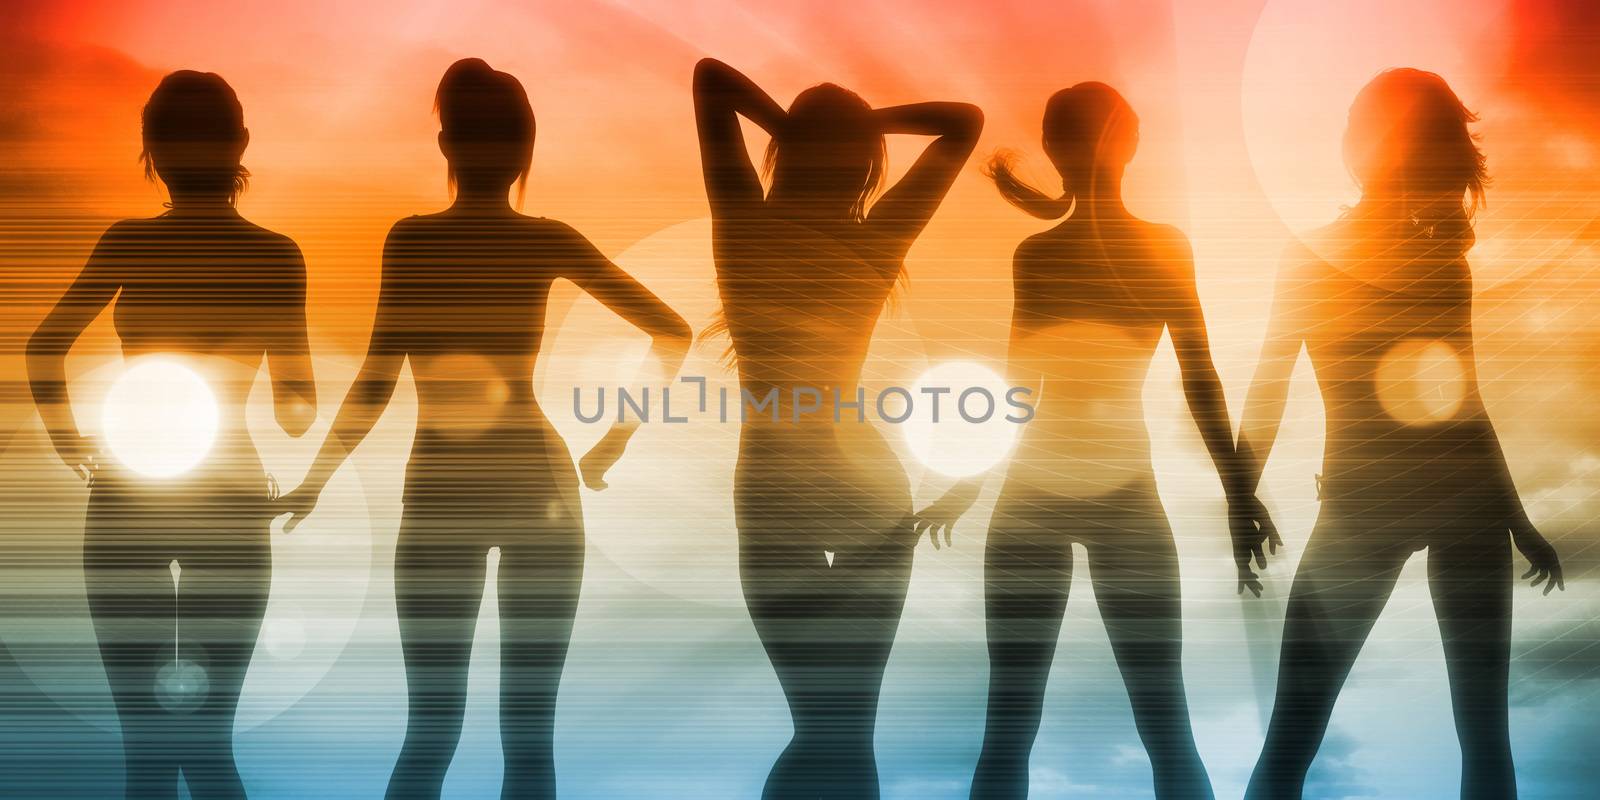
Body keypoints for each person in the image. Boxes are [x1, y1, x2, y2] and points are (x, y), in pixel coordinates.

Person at [277, 58, 691, 800]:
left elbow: (378, 378)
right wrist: (615, 438)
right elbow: (673, 333)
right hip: (541, 488)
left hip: (443, 492)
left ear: (446, 144)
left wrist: (315, 481)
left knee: (432, 727)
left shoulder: (414, 240)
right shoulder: (544, 238)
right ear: (523, 150)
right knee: (527, 733)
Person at [914, 82, 1277, 800]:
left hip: (1039, 496)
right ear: (1129, 144)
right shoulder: (1154, 247)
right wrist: (1239, 494)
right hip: (1118, 495)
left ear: (1055, 148)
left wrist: (969, 482)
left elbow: (1021, 391)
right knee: (1161, 723)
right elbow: (1197, 378)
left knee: (1011, 725)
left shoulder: (1043, 255)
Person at [1238, 68, 1563, 800]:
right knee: (1483, 740)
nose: (1348, 135)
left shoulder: (1327, 255)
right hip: (1445, 507)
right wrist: (1514, 517)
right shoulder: (1435, 261)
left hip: (1372, 505)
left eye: (1358, 121)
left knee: (1292, 738)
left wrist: (1240, 493)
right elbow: (1465, 408)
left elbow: (1273, 384)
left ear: (1373, 143)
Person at [692, 57, 982, 798]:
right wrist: (863, 125)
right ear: (864, 164)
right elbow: (963, 123)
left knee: (820, 724)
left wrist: (796, 126)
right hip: (864, 484)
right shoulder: (876, 237)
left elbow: (711, 80)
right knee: (848, 726)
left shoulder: (743, 224)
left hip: (774, 486)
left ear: (784, 154)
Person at [28, 70, 317, 799]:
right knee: (209, 744)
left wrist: (70, 444)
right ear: (241, 144)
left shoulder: (128, 242)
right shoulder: (275, 255)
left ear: (151, 149)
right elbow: (295, 403)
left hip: (129, 495)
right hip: (231, 498)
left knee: (148, 752)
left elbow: (42, 348)